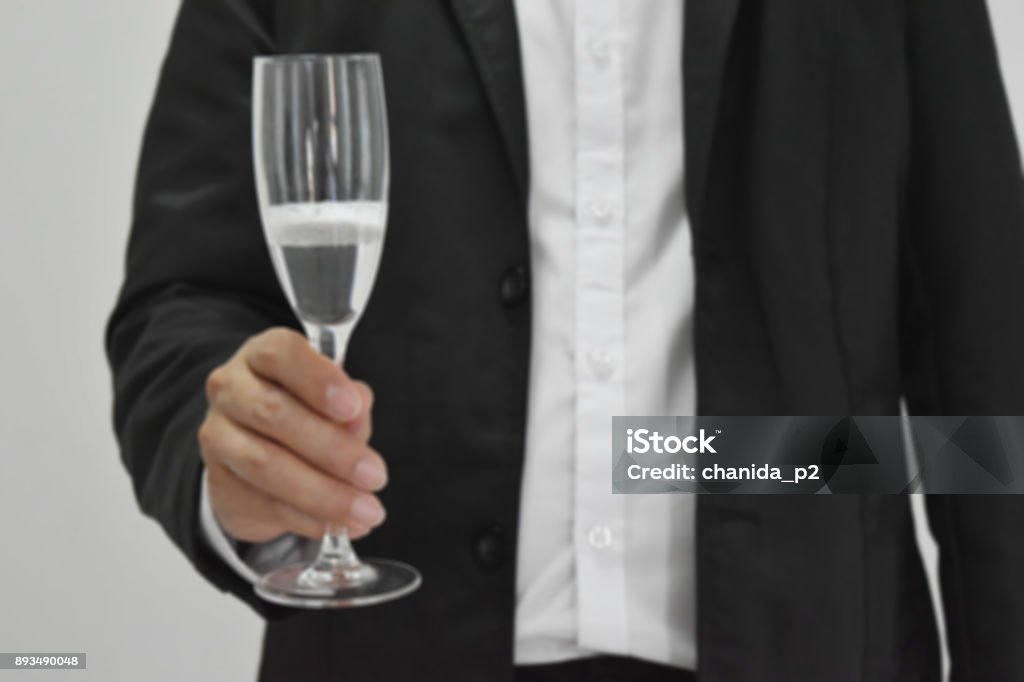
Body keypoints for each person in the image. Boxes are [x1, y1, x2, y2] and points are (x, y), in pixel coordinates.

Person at [106, 0, 1024, 680]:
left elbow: (985, 366)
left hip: (811, 649)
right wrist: (232, 444)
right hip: (395, 652)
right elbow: (183, 301)